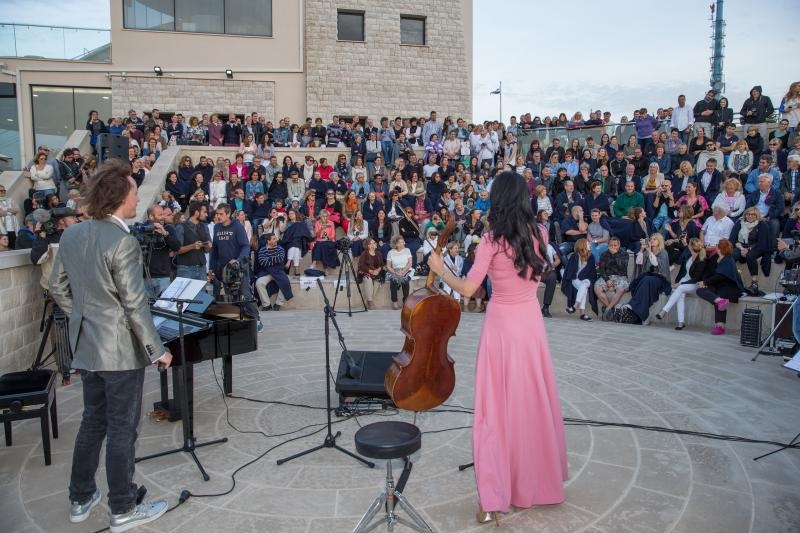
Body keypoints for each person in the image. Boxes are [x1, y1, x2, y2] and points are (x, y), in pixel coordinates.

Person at [427, 171, 566, 523]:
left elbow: (470, 289)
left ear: (498, 200)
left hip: (502, 326)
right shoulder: (541, 232)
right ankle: (536, 485)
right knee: (531, 403)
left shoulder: (491, 240)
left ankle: (493, 500)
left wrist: (441, 270)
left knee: (496, 411)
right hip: (531, 324)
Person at [48, 159, 171, 532]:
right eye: (134, 192)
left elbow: (58, 288)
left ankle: (80, 497)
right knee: (121, 430)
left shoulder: (72, 235)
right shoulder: (124, 241)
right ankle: (122, 508)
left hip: (87, 347)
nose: (138, 198)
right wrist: (158, 350)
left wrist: (84, 319)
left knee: (92, 424)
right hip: (118, 352)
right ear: (120, 197)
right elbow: (135, 305)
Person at [208, 204, 262, 331]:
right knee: (230, 297)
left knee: (245, 294)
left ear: (228, 214)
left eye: (221, 214)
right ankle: (238, 321)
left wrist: (237, 260)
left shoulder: (237, 226)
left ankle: (256, 319)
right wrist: (212, 267)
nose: (218, 216)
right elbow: (214, 249)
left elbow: (245, 246)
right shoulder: (216, 227)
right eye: (217, 214)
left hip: (239, 267)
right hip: (224, 269)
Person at [655, 238, 710, 330]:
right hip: (685, 281)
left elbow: (696, 278)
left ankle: (663, 311)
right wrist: (680, 283)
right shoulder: (689, 256)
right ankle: (681, 322)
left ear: (691, 247)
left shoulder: (702, 259)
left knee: (679, 288)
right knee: (679, 294)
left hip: (695, 283)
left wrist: (680, 284)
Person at [696, 239, 744, 335]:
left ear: (720, 248)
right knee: (700, 291)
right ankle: (719, 301)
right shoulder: (718, 258)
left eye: (718, 246)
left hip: (731, 287)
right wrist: (705, 282)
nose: (716, 247)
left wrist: (705, 282)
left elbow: (721, 276)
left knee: (721, 294)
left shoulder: (728, 259)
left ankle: (720, 326)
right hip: (719, 284)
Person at [730, 207, 771, 295]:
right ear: (745, 215)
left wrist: (748, 249)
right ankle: (732, 281)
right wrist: (741, 248)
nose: (750, 216)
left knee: (750, 255)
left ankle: (754, 284)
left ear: (757, 216)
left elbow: (762, 242)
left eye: (753, 214)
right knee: (732, 256)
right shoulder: (740, 223)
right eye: (748, 214)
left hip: (757, 247)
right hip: (741, 246)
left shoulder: (762, 224)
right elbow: (733, 239)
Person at [143, 205, 181, 297]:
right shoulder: (143, 229)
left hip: (163, 277)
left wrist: (165, 233)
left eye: (163, 214)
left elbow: (177, 247)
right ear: (151, 217)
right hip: (145, 277)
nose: (163, 217)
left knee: (164, 307)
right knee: (147, 309)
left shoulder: (168, 228)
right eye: (160, 215)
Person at [254, 232, 293, 311]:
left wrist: (269, 259)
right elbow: (262, 262)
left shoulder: (280, 249)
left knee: (285, 282)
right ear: (268, 241)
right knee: (259, 283)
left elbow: (280, 259)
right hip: (267, 272)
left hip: (279, 271)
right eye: (274, 239)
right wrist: (274, 259)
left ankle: (278, 303)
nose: (276, 240)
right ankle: (266, 304)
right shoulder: (262, 250)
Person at [174, 203, 212, 280]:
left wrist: (208, 247)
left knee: (202, 292)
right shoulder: (181, 226)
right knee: (186, 292)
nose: (206, 214)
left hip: (201, 268)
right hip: (185, 268)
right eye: (204, 212)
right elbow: (177, 250)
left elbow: (206, 250)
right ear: (196, 212)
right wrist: (192, 246)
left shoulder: (204, 226)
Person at [594, 237, 630, 319]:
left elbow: (623, 268)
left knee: (620, 289)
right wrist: (607, 280)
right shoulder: (604, 254)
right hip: (608, 276)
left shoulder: (624, 254)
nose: (613, 247)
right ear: (608, 245)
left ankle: (607, 309)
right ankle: (610, 309)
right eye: (611, 245)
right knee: (597, 288)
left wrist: (615, 255)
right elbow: (601, 269)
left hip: (621, 276)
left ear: (619, 245)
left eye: (615, 245)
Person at [561, 238, 597, 321]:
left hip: (587, 279)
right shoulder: (574, 256)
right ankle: (583, 314)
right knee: (584, 289)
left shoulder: (591, 256)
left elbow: (590, 270)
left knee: (585, 284)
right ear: (583, 245)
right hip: (575, 278)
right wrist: (578, 277)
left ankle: (575, 306)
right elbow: (570, 270)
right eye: (588, 244)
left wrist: (582, 276)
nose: (590, 245)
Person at [357, 237, 385, 309]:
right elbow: (361, 265)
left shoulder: (378, 253)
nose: (376, 244)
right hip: (366, 272)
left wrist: (378, 270)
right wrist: (371, 271)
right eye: (374, 243)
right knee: (368, 279)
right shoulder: (364, 253)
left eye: (375, 242)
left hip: (376, 272)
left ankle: (369, 300)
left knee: (378, 281)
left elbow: (382, 265)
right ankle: (370, 302)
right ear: (369, 245)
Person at [385, 235, 412, 309]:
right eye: (400, 242)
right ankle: (395, 302)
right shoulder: (390, 252)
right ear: (395, 244)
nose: (403, 243)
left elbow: (410, 263)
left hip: (406, 269)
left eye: (403, 242)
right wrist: (395, 272)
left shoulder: (407, 250)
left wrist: (403, 271)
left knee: (405, 281)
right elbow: (388, 266)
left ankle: (406, 301)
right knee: (393, 281)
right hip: (395, 270)